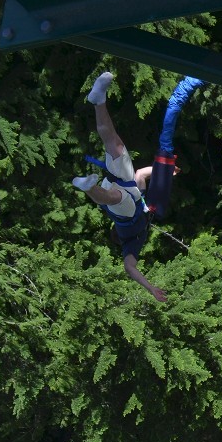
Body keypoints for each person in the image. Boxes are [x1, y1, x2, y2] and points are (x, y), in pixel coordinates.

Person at [72, 72, 168, 302]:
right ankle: (98, 100)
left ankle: (87, 187)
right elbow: (141, 174)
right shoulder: (143, 204)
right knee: (114, 142)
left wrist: (150, 288)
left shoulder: (132, 242)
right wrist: (166, 170)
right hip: (123, 183)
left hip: (121, 204)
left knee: (113, 198)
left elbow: (130, 268)